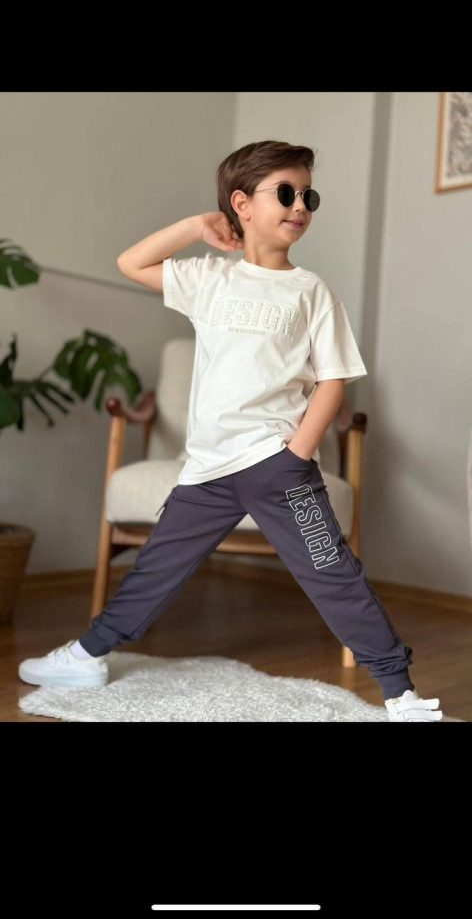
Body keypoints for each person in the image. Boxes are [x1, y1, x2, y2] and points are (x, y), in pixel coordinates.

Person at [19, 139, 442, 722]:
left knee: (332, 573)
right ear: (242, 204)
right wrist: (197, 226)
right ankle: (88, 654)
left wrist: (297, 453)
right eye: (285, 193)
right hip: (208, 469)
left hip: (279, 466)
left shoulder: (311, 292)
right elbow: (131, 263)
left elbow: (333, 380)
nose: (300, 206)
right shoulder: (210, 279)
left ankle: (399, 692)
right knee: (156, 568)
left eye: (308, 196)